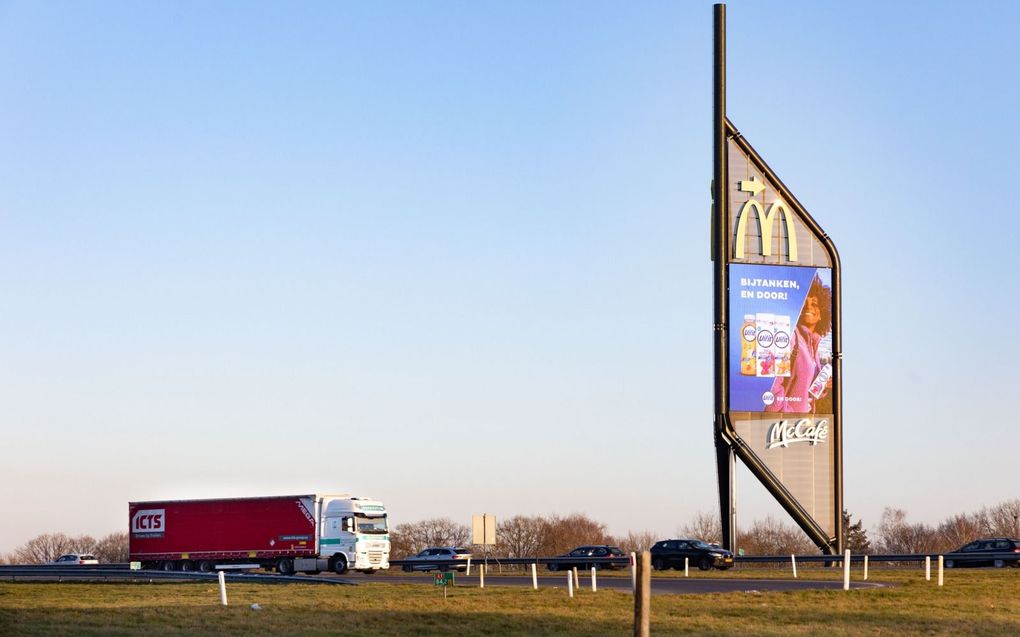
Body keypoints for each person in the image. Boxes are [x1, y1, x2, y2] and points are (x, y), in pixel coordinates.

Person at [765, 275, 831, 413]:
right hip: (784, 426)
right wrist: (789, 415)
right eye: (804, 302)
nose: (808, 306)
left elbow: (804, 392)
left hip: (802, 426)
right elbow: (771, 385)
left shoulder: (813, 345)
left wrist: (822, 386)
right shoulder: (789, 336)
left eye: (814, 303)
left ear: (822, 314)